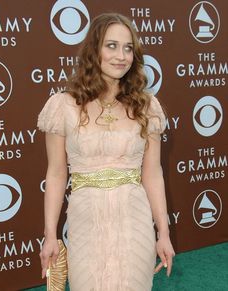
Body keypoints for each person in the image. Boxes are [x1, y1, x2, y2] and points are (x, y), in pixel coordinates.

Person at [38, 12, 175, 291]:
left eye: (128, 48)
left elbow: (152, 172)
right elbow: (55, 173)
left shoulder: (146, 106)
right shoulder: (62, 106)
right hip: (85, 219)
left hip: (134, 218)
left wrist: (163, 232)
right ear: (93, 50)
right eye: (111, 45)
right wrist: (50, 235)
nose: (121, 56)